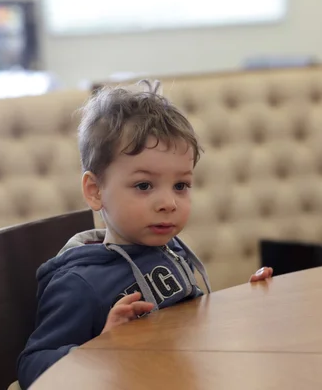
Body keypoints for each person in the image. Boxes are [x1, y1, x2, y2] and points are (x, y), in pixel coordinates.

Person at [17, 80, 273, 388]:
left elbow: (188, 329)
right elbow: (32, 364)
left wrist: (244, 305)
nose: (168, 203)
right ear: (95, 191)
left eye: (181, 186)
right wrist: (102, 347)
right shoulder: (79, 283)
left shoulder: (169, 250)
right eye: (143, 185)